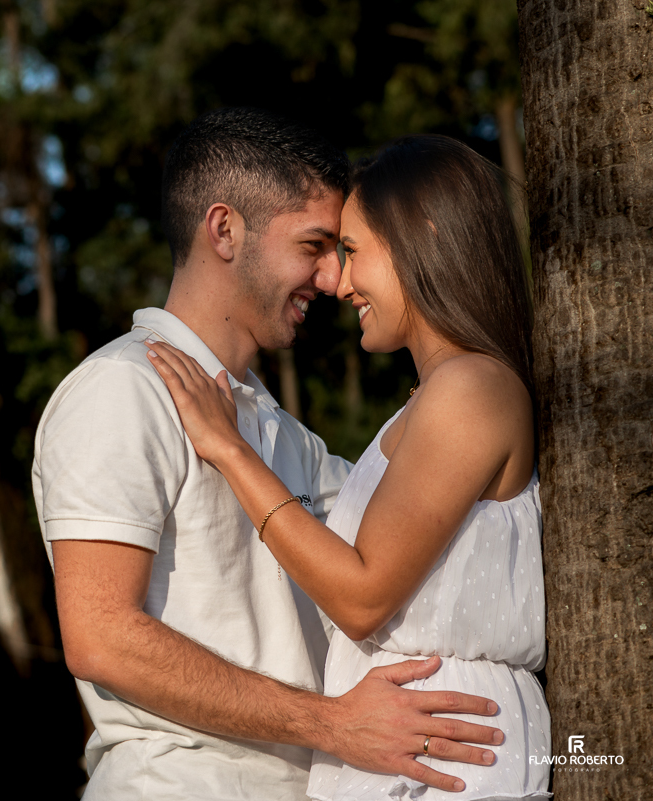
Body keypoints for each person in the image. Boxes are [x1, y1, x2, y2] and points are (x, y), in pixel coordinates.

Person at [32, 109, 504, 801]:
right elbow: (101, 637)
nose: (331, 277)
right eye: (314, 244)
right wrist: (335, 724)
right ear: (225, 230)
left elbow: (409, 542)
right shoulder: (121, 389)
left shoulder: (279, 429)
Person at [145, 134, 550, 800]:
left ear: (420, 237)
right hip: (416, 748)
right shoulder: (435, 400)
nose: (338, 281)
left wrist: (230, 451)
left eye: (353, 251)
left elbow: (362, 596)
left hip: (451, 759)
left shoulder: (472, 389)